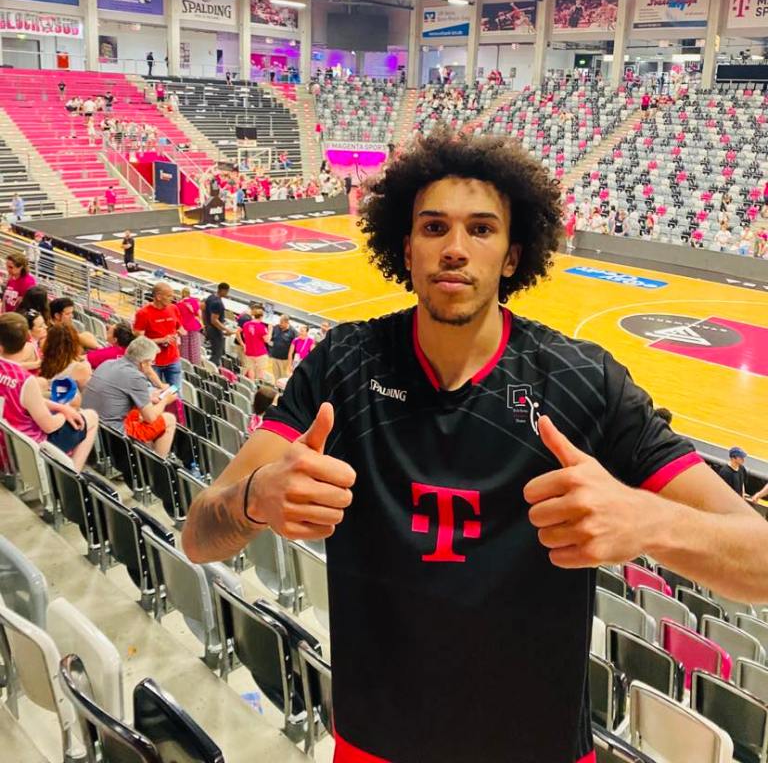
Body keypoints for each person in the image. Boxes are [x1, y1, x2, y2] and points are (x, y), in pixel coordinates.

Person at [182, 128, 768, 763]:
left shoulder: (585, 381)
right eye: (434, 227)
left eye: (481, 229)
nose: (455, 248)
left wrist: (651, 522)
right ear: (406, 249)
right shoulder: (342, 365)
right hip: (373, 745)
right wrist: (254, 498)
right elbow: (198, 536)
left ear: (513, 256)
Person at [0, 313, 97, 472]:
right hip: (29, 451)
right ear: (26, 339)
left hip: (7, 444)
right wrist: (67, 411)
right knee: (91, 416)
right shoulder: (25, 380)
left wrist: (60, 407)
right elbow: (50, 426)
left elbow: (26, 399)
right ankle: (72, 475)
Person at [81, 337, 176, 458]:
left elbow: (119, 393)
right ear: (144, 363)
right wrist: (165, 400)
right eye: (151, 363)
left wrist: (148, 397)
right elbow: (150, 418)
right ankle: (159, 463)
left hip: (94, 425)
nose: (151, 366)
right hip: (114, 434)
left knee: (138, 413)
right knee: (169, 419)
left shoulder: (107, 364)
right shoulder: (136, 377)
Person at [134, 282, 183, 390]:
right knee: (156, 393)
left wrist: (178, 334)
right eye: (169, 296)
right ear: (159, 296)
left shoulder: (174, 309)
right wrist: (161, 340)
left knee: (176, 393)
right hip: (152, 362)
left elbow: (179, 328)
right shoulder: (143, 313)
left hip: (173, 359)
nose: (172, 299)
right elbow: (139, 340)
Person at [39, 322, 93, 394]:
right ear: (75, 343)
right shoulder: (81, 368)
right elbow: (87, 395)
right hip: (69, 400)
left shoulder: (42, 363)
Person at [237, 307, 272, 380]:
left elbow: (244, 335)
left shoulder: (246, 325)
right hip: (260, 353)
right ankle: (259, 384)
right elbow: (267, 340)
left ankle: (252, 383)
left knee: (251, 370)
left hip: (249, 352)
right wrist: (270, 330)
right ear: (261, 317)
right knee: (261, 372)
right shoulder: (262, 327)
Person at [203, 282, 234, 367]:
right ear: (223, 290)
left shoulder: (210, 297)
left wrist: (205, 325)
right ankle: (211, 370)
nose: (227, 293)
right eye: (227, 291)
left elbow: (203, 310)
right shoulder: (218, 303)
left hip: (209, 327)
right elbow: (214, 320)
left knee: (215, 351)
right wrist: (226, 329)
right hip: (215, 330)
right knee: (217, 353)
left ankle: (211, 368)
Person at [176, 287, 204, 365]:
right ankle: (195, 364)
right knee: (194, 348)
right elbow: (199, 314)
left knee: (184, 348)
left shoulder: (178, 304)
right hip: (193, 326)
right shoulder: (194, 301)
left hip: (184, 328)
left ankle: (186, 365)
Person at [267, 314, 296, 382]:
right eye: (280, 322)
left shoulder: (293, 332)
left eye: (282, 323)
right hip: (275, 357)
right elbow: (270, 339)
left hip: (284, 359)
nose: (280, 324)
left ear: (287, 322)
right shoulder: (276, 327)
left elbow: (294, 348)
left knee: (283, 377)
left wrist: (291, 361)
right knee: (276, 375)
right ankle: (276, 386)